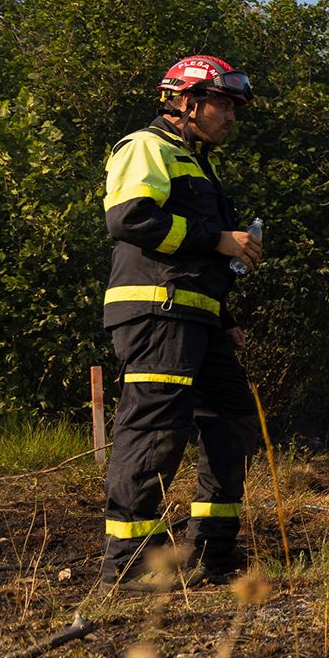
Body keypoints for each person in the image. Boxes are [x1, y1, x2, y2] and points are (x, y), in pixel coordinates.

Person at [99, 55, 263, 592]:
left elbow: (198, 263)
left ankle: (212, 552)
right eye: (223, 104)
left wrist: (225, 316)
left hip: (199, 316)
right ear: (186, 101)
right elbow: (130, 218)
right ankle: (130, 567)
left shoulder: (196, 162)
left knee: (234, 418)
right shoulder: (145, 146)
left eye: (235, 106)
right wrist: (218, 238)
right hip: (157, 312)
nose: (232, 117)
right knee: (155, 433)